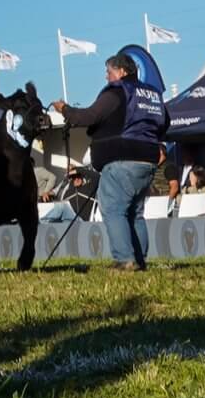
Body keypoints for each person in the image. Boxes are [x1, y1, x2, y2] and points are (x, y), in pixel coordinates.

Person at [55, 53, 167, 272]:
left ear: (122, 72)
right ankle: (139, 260)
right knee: (135, 213)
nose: (107, 78)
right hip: (147, 160)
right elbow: (165, 122)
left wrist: (65, 110)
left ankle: (125, 260)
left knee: (113, 209)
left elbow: (88, 116)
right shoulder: (153, 95)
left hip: (121, 161)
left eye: (109, 72)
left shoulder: (117, 92)